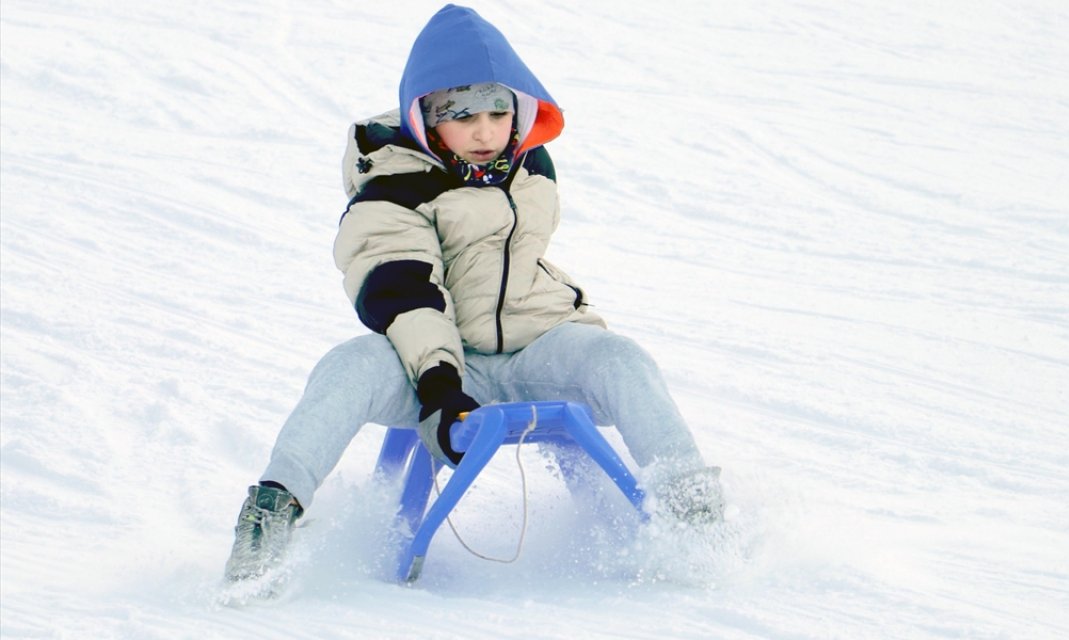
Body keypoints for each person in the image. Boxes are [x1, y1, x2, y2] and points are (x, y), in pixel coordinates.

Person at [223, 4, 724, 583]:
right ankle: (272, 513)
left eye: (498, 112)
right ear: (427, 118)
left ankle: (696, 517)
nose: (485, 132)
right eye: (462, 116)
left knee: (621, 359)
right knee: (347, 367)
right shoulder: (393, 187)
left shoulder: (527, 163)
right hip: (437, 364)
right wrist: (440, 387)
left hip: (534, 349)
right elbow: (406, 294)